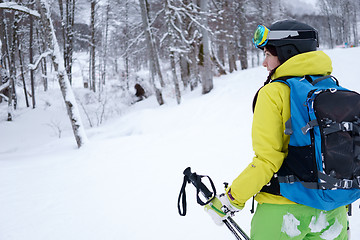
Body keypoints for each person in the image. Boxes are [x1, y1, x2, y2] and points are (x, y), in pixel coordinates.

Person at [204, 20, 348, 239]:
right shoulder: (333, 88)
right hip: (333, 211)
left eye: (267, 54)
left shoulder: (274, 93)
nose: (264, 63)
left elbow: (268, 160)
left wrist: (231, 199)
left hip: (283, 213)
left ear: (287, 52)